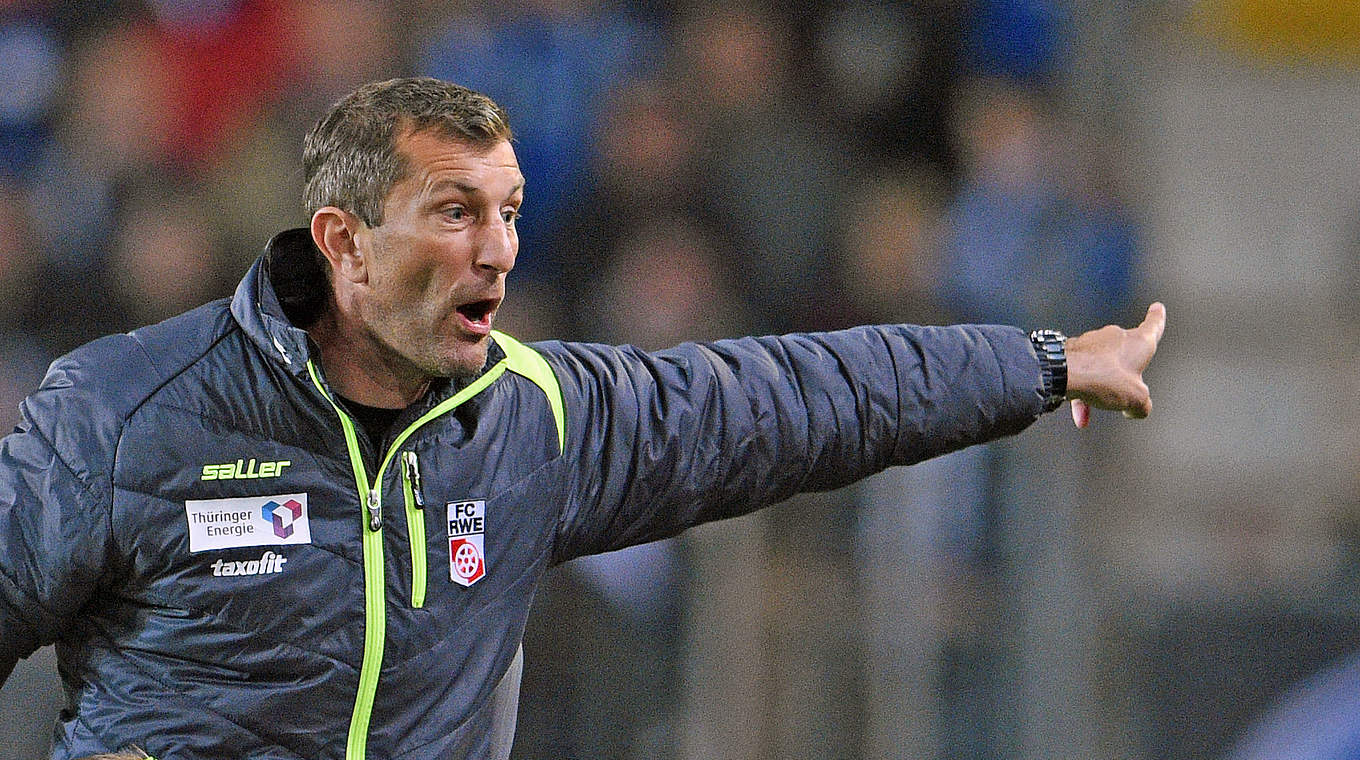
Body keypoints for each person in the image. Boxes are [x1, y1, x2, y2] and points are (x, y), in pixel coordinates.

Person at [0, 77, 1165, 760]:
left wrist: (1042, 362)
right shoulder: (124, 412)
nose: (498, 250)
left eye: (508, 212)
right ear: (343, 241)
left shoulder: (535, 417)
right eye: (454, 212)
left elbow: (803, 397)